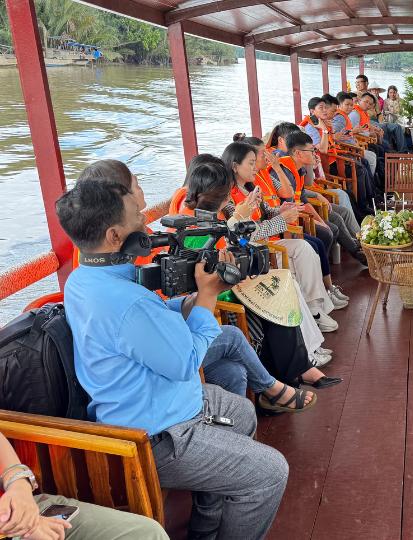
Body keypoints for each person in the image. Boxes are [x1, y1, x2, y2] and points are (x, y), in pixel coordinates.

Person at [57, 178, 289, 540]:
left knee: (242, 413)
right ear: (116, 236)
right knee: (270, 472)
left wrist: (187, 301)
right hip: (157, 436)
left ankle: (206, 525)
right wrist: (208, 300)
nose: (147, 225)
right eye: (138, 216)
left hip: (151, 403)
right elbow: (185, 361)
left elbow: (145, 323)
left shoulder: (84, 279)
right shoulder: (126, 301)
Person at [78, 158, 321, 408]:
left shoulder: (97, 271)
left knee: (234, 371)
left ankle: (276, 384)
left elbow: (158, 310)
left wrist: (193, 299)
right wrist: (206, 295)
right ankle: (276, 384)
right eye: (136, 186)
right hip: (154, 392)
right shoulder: (126, 291)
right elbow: (181, 360)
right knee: (257, 315)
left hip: (171, 329)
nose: (143, 199)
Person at [181, 158, 343, 387]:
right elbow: (214, 253)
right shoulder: (193, 222)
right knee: (274, 296)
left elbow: (236, 242)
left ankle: (301, 367)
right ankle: (293, 373)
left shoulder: (217, 211)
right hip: (217, 293)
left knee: (281, 287)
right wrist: (239, 217)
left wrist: (241, 218)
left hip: (232, 280)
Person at [221, 141, 347, 325]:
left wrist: (280, 210)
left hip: (266, 244)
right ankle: (310, 315)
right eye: (251, 162)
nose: (255, 166)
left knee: (305, 248)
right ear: (235, 166)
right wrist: (282, 220)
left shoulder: (251, 188)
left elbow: (265, 213)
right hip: (253, 252)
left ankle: (315, 307)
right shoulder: (228, 199)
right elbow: (246, 234)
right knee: (300, 260)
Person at [0, 433, 168, 539]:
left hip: (22, 511)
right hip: (13, 525)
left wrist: (19, 487)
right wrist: (22, 527)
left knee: (148, 533)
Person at [355, 74, 408, 152]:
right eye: (356, 83)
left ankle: (403, 151)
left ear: (366, 83)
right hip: (367, 120)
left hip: (377, 120)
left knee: (397, 127)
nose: (357, 84)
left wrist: (382, 121)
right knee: (382, 127)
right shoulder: (355, 95)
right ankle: (388, 152)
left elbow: (379, 113)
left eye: (359, 82)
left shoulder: (374, 97)